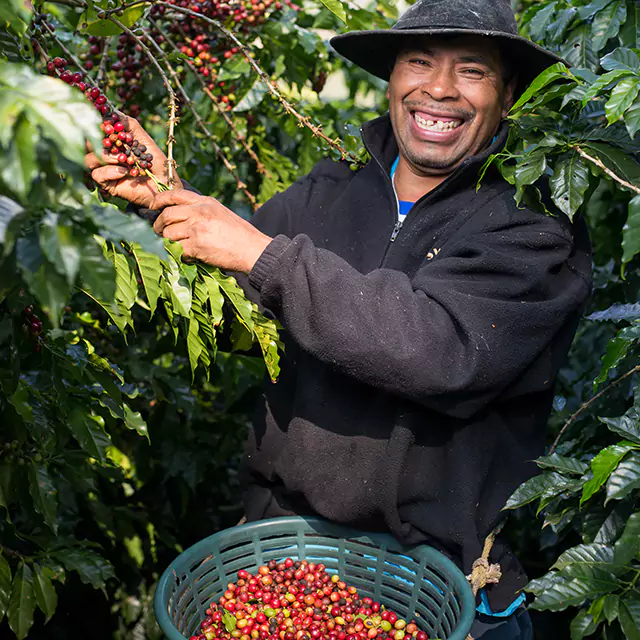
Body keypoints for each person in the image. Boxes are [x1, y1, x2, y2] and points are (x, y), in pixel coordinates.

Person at [86, 1, 592, 637]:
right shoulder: (330, 187)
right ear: (392, 80)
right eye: (419, 62)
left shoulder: (532, 224)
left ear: (508, 92)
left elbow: (439, 348)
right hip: (284, 555)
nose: (438, 88)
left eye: (471, 70)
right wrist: (163, 202)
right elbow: (238, 310)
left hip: (434, 580)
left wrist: (260, 254)